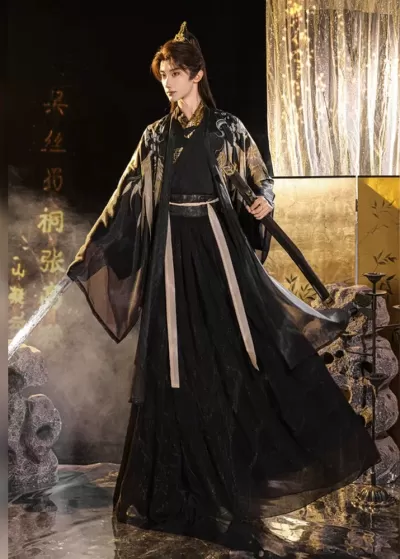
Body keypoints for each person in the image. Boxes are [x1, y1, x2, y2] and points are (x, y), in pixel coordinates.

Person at [67, 22, 379, 555]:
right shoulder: (155, 137)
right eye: (163, 75)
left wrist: (263, 200)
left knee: (232, 357)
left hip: (215, 252)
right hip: (170, 256)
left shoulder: (226, 128)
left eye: (176, 73)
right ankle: (179, 485)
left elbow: (261, 178)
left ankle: (238, 479)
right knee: (172, 366)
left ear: (197, 75)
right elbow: (126, 194)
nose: (168, 82)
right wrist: (92, 249)